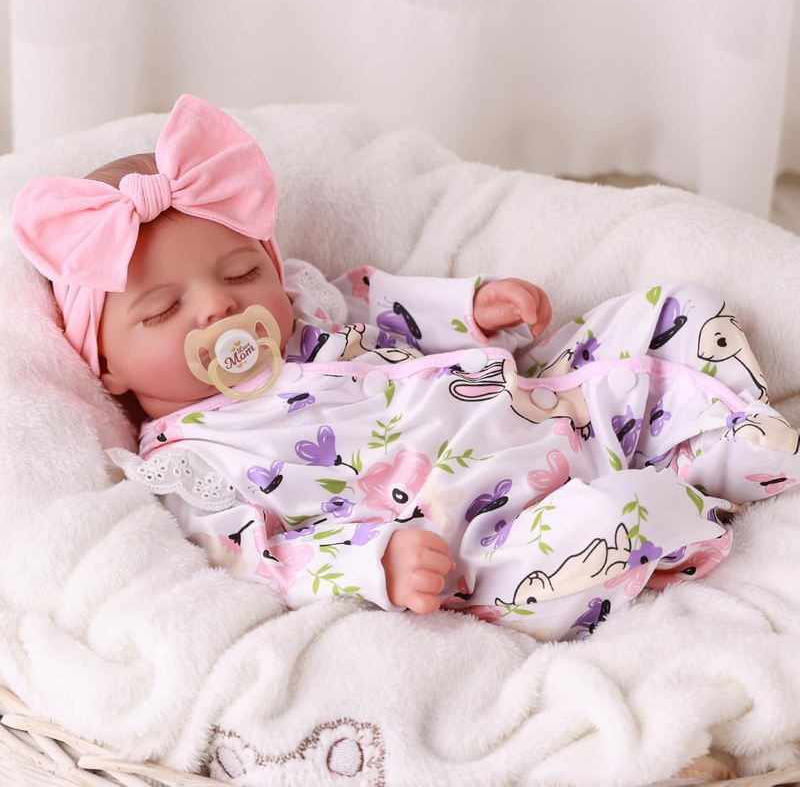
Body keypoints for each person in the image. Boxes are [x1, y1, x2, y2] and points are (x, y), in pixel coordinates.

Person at [12, 95, 800, 646]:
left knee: (681, 308)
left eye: (242, 272)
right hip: (485, 543)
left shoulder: (312, 313)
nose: (218, 306)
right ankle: (696, 480)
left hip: (546, 410)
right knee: (624, 512)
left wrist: (473, 307)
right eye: (162, 310)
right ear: (104, 366)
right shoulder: (193, 463)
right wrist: (373, 563)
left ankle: (725, 444)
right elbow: (260, 560)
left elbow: (386, 302)